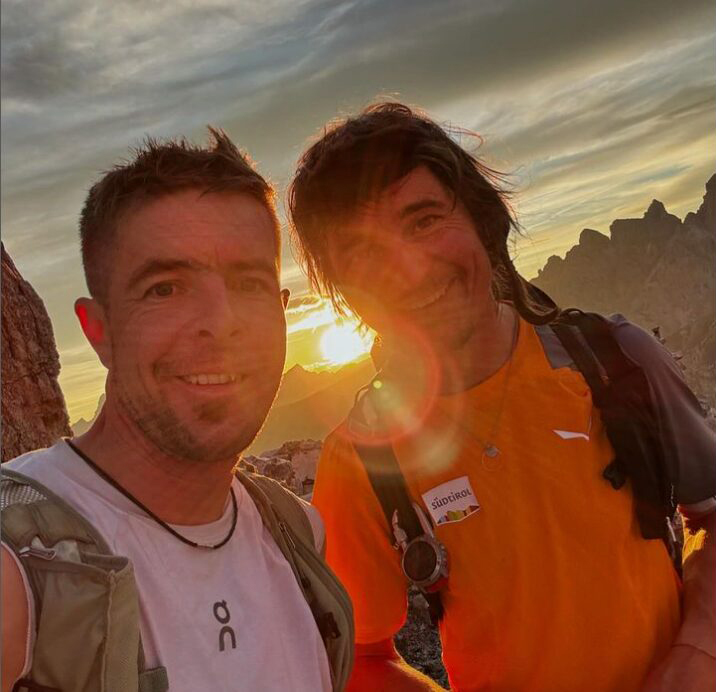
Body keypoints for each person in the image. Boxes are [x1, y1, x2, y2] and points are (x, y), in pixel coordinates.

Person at [287, 102, 716, 691]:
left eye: (423, 221)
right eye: (363, 253)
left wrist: (696, 652)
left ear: (482, 221)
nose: (408, 271)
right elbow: (359, 658)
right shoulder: (362, 457)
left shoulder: (615, 362)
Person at [1, 130, 353, 692]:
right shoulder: (22, 564)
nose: (222, 321)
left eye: (250, 283)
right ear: (100, 332)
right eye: (165, 288)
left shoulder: (295, 534)